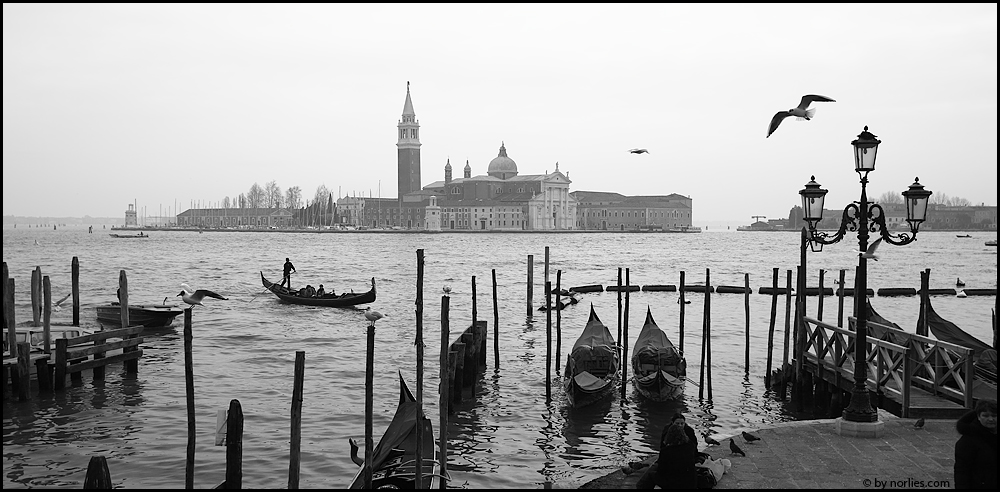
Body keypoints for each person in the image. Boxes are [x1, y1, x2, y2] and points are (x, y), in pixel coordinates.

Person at [636, 419, 699, 489]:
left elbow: (661, 471)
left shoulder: (666, 451)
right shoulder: (690, 446)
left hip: (673, 483)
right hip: (690, 482)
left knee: (650, 476)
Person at [954, 399, 997, 489]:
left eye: (994, 415)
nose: (991, 419)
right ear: (978, 417)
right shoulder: (968, 440)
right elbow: (962, 471)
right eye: (985, 416)